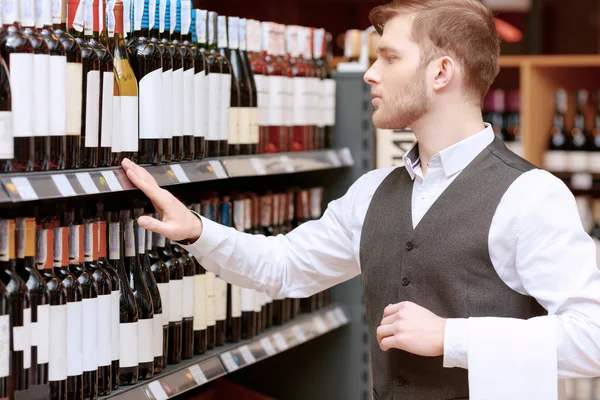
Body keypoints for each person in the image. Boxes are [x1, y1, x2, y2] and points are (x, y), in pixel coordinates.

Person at [122, 0, 600, 398]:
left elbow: (592, 337)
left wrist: (452, 338)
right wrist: (197, 231)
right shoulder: (373, 192)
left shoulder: (529, 196)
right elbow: (285, 267)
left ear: (441, 72)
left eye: (389, 58)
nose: (370, 74)